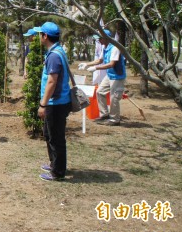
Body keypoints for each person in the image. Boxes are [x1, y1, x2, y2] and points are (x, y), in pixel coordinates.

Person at [34, 21, 71, 181]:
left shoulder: (54, 56)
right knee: (50, 135)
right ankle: (54, 163)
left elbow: (52, 82)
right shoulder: (56, 51)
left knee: (56, 138)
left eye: (40, 34)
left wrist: (43, 104)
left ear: (45, 36)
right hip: (57, 102)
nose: (39, 37)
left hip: (56, 104)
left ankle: (58, 172)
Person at [80, 29, 126, 126]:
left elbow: (111, 64)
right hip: (110, 75)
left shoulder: (115, 48)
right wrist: (87, 64)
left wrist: (96, 68)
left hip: (117, 76)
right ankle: (104, 114)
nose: (99, 41)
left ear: (106, 38)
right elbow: (99, 60)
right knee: (100, 92)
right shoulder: (105, 47)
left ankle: (114, 119)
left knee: (114, 98)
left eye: (100, 39)